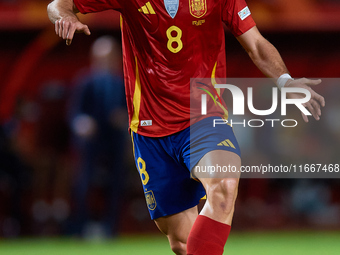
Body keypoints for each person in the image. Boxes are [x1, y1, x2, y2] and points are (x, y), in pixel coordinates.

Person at [47, 0, 325, 254]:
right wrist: (65, 17)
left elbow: (256, 44)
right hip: (150, 130)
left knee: (225, 184)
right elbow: (57, 5)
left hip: (204, 117)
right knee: (182, 242)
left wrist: (285, 81)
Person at [68, 36, 127, 237]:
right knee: (84, 181)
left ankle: (111, 226)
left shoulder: (124, 83)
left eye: (111, 57)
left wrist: (124, 120)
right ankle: (82, 225)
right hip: (91, 142)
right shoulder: (85, 81)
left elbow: (133, 114)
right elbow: (74, 114)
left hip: (115, 140)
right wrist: (82, 124)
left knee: (117, 182)